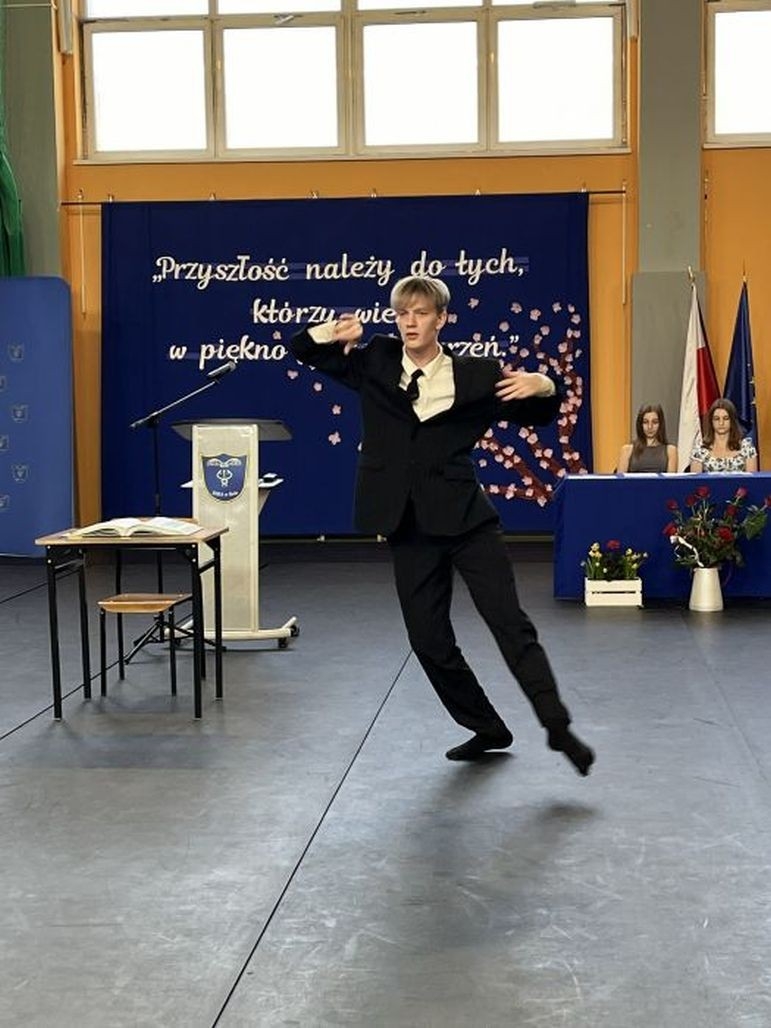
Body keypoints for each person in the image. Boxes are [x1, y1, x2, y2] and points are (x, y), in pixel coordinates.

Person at [290, 275, 594, 775]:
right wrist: (333, 331)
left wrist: (546, 384)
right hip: (408, 525)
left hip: (467, 521)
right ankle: (487, 727)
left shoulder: (476, 375)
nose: (409, 322)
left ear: (442, 319)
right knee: (428, 641)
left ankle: (557, 726)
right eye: (402, 313)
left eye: (421, 313)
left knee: (509, 624)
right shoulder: (375, 361)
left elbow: (541, 413)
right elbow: (302, 348)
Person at [690, 397, 759, 473]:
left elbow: (752, 479)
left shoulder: (746, 447)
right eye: (717, 419)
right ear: (711, 421)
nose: (721, 423)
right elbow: (696, 480)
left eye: (726, 418)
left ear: (732, 421)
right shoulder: (700, 449)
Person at [617, 404, 678, 473]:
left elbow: (671, 479)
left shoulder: (671, 451)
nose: (650, 427)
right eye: (645, 422)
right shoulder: (627, 450)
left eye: (655, 422)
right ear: (640, 424)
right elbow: (620, 479)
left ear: (661, 424)